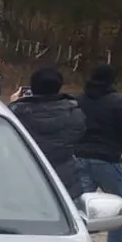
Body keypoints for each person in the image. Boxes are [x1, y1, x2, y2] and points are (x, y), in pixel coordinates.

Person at [76, 64, 122, 242]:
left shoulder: (78, 100)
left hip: (80, 157)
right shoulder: (118, 102)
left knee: (77, 210)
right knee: (117, 209)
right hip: (107, 160)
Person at [8, 67, 86, 199]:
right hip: (63, 180)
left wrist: (13, 104)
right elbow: (78, 137)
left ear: (32, 87)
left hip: (24, 177)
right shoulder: (75, 113)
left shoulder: (16, 113)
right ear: (59, 87)